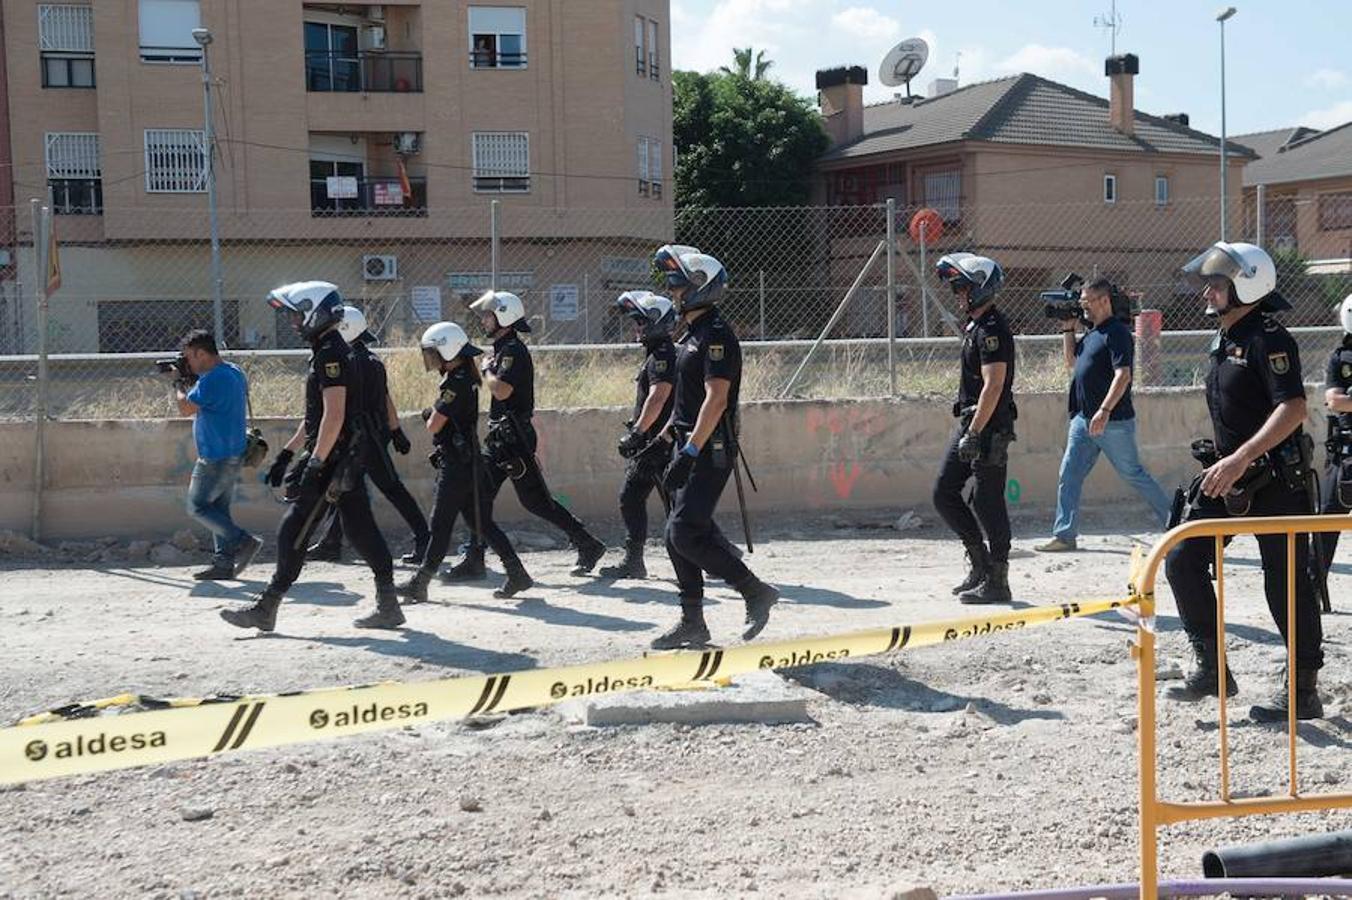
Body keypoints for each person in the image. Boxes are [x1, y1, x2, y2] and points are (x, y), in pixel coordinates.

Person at [1163, 242, 1324, 721]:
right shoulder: (1225, 337)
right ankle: (1212, 669)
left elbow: (1292, 407)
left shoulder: (1269, 337)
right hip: (1234, 477)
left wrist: (1241, 457)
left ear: (1247, 284)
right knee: (1181, 559)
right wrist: (1225, 459)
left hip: (1276, 481)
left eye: (1217, 285)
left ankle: (1303, 691)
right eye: (1210, 284)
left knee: (1287, 585)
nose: (1207, 294)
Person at [221, 282, 404, 633]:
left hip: (334, 460)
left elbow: (333, 416)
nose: (291, 321)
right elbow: (317, 417)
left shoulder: (330, 354)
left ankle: (267, 607)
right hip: (341, 456)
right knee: (361, 529)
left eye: (294, 313)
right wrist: (288, 454)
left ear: (314, 312)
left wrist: (316, 463)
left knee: (294, 529)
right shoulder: (330, 348)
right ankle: (389, 604)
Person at [648, 244, 778, 650]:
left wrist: (689, 453)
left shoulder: (717, 335)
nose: (671, 292)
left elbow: (715, 399)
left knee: (685, 532)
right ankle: (693, 622)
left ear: (698, 288)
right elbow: (686, 400)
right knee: (675, 535)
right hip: (687, 442)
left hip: (708, 448)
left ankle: (754, 590)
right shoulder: (691, 335)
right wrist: (666, 435)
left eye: (677, 284)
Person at [441, 290, 606, 582]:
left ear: (503, 317)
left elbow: (502, 390)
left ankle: (587, 543)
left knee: (535, 502)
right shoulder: (503, 349)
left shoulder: (513, 351)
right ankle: (474, 558)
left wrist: (486, 370)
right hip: (502, 437)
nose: (483, 319)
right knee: (479, 496)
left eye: (489, 315)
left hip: (513, 438)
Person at [395, 322, 534, 603]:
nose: (430, 359)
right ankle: (517, 573)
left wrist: (429, 412)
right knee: (481, 522)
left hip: (457, 465)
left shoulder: (456, 382)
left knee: (441, 525)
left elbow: (434, 425)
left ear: (447, 351)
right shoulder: (462, 376)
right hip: (467, 463)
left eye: (434, 352)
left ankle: (420, 583)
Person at [1036, 278, 1172, 552]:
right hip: (1083, 420)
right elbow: (1071, 362)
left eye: (1087, 301)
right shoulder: (1092, 333)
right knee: (1069, 474)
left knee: (1134, 474)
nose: (1082, 306)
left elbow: (1123, 375)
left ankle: (1176, 525)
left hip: (1113, 422)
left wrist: (1105, 410)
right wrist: (1067, 330)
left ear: (1104, 301)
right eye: (1082, 301)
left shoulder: (1117, 333)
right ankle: (1064, 535)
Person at [307, 306, 430, 565]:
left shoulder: (346, 359)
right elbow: (386, 400)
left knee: (386, 488)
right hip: (372, 435)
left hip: (361, 439)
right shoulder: (373, 360)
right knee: (345, 488)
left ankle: (424, 539)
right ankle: (331, 542)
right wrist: (395, 432)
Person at [932, 252, 1016, 605]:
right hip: (973, 421)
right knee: (944, 493)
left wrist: (975, 432)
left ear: (981, 289)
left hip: (988, 426)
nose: (958, 294)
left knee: (987, 500)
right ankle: (979, 563)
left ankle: (998, 581)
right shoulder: (976, 327)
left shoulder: (993, 329)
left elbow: (994, 385)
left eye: (963, 288)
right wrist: (970, 429)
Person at [169, 329, 263, 581]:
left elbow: (185, 408)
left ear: (201, 353)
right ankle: (223, 564)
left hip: (215, 456)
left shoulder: (211, 380)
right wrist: (191, 380)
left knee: (197, 507)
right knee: (219, 511)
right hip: (234, 451)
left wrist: (178, 383)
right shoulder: (233, 371)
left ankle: (243, 540)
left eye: (189, 357)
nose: (187, 362)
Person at [598, 291, 677, 580]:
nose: (637, 328)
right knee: (633, 497)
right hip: (653, 443)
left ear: (657, 323)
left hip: (661, 444)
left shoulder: (662, 355)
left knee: (676, 506)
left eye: (641, 323)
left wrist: (637, 433)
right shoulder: (659, 352)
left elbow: (658, 397)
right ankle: (634, 562)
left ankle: (715, 556)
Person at [1313, 293, 1352, 589]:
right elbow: (1335, 401)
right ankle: (1314, 586)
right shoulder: (1341, 357)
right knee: (1326, 520)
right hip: (1345, 453)